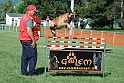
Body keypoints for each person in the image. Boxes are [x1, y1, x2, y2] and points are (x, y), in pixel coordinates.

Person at [19, 5, 39, 76]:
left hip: (23, 39)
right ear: (30, 10)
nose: (35, 13)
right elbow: (29, 30)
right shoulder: (29, 18)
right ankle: (31, 73)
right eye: (34, 11)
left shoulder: (24, 17)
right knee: (33, 56)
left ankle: (23, 72)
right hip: (28, 39)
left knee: (25, 56)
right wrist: (33, 41)